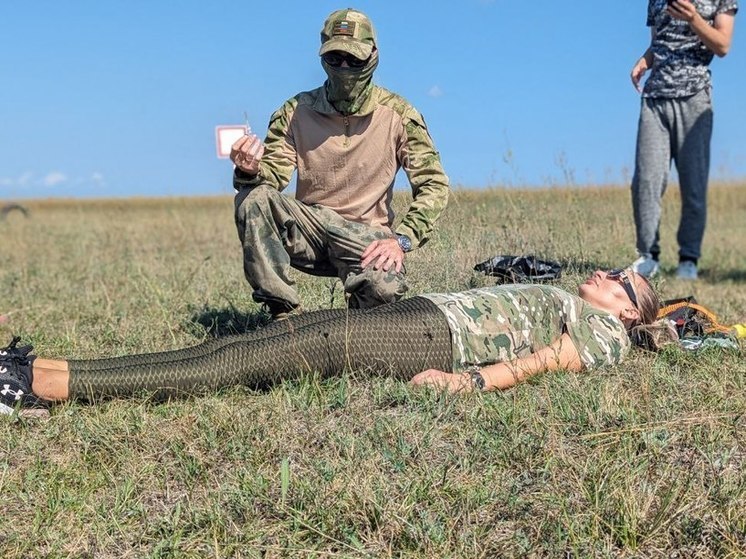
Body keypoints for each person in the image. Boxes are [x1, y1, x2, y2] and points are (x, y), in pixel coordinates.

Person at [1, 269, 660, 414]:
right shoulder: (575, 298)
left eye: (624, 286)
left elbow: (555, 359)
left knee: (243, 360)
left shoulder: (607, 333)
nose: (609, 277)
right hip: (423, 314)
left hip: (431, 338)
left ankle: (43, 385)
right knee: (267, 341)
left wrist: (472, 381)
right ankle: (38, 367)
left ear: (629, 316)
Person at [230, 8, 449, 318]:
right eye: (335, 59)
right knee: (251, 198)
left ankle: (356, 320)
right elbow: (273, 177)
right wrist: (250, 170)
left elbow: (434, 184)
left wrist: (402, 240)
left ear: (373, 55)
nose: (344, 68)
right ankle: (283, 315)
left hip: (367, 238)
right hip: (310, 229)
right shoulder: (294, 112)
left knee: (384, 290)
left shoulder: (399, 116)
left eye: (354, 60)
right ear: (323, 57)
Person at [629, 0, 738, 280]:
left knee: (693, 183)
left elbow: (723, 45)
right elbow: (660, 42)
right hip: (655, 97)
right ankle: (648, 256)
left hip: (695, 96)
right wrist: (645, 59)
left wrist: (693, 18)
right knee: (646, 180)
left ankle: (688, 259)